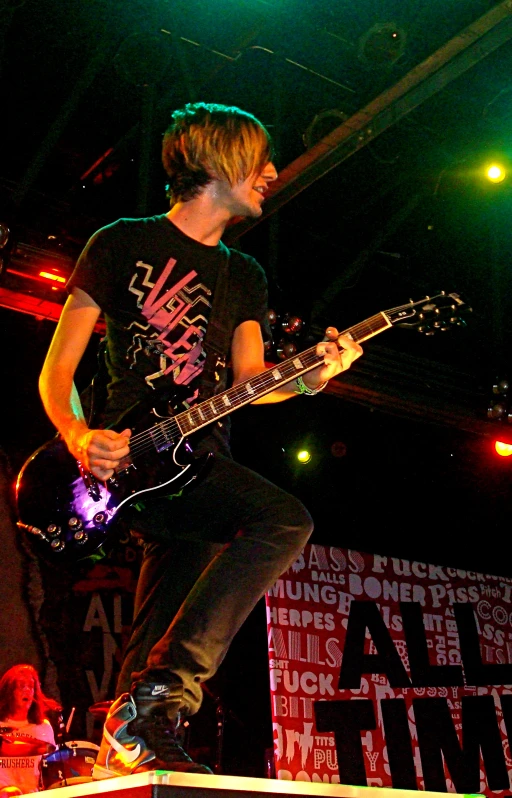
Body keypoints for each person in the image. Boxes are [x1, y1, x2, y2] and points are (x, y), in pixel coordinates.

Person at [38, 101, 363, 780]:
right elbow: (57, 370)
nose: (272, 172)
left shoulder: (243, 274)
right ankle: (169, 690)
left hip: (199, 462)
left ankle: (123, 748)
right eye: (260, 159)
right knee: (283, 519)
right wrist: (77, 434)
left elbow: (252, 380)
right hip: (128, 456)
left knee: (159, 613)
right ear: (216, 161)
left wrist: (307, 379)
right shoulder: (120, 241)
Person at [0, 665, 58, 795]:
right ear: (9, 691)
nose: (27, 690)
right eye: (21, 686)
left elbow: (52, 770)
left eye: (31, 687)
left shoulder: (43, 728)